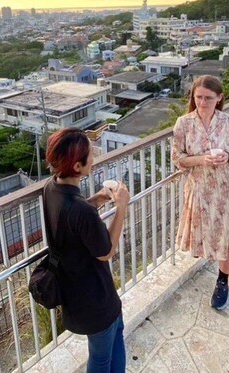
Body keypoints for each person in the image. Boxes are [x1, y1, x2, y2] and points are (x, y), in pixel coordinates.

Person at [43, 128, 131, 373]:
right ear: (78, 166)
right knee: (103, 355)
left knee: (109, 342)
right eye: (91, 155)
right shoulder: (80, 209)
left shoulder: (52, 188)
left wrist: (98, 199)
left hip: (74, 289)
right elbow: (106, 252)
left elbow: (74, 218)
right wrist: (122, 207)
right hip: (96, 296)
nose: (94, 158)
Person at [171, 75, 229, 309]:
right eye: (198, 97)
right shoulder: (183, 123)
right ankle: (218, 269)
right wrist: (201, 159)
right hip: (199, 189)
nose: (202, 102)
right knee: (204, 234)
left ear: (219, 98)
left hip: (226, 188)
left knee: (227, 237)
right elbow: (177, 158)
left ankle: (223, 280)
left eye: (208, 98)